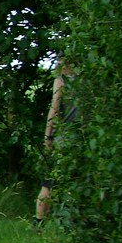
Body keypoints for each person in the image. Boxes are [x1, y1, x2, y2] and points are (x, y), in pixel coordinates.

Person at [35, 62, 76, 223]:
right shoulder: (89, 79)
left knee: (48, 182)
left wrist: (47, 137)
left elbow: (54, 107)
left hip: (64, 138)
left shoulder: (62, 80)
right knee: (73, 180)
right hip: (84, 137)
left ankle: (39, 220)